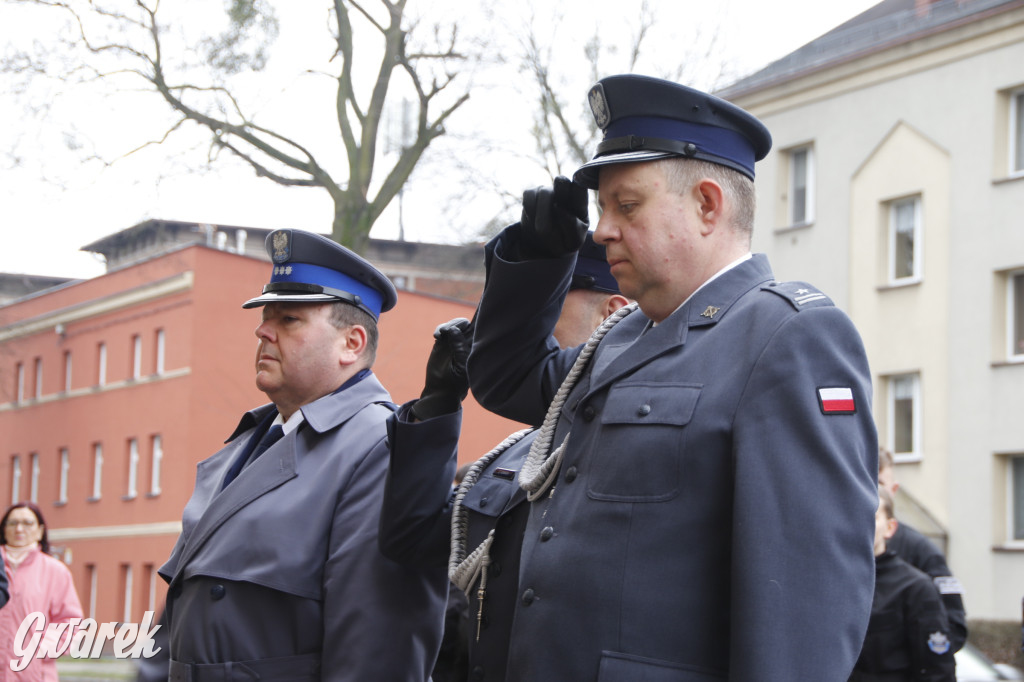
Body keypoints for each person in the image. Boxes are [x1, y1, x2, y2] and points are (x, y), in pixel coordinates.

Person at [467, 74, 879, 680]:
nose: (603, 229)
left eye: (626, 205)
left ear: (707, 205)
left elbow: (801, 611)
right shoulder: (621, 338)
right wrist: (537, 259)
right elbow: (505, 377)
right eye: (603, 208)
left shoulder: (786, 338)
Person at [157, 229, 446, 681]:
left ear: (351, 344)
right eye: (265, 317)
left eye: (289, 319)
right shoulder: (253, 439)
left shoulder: (379, 447)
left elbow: (376, 650)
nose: (262, 330)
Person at [380, 233, 629, 682]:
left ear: (612, 315)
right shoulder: (518, 451)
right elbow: (413, 539)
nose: (517, 333)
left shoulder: (634, 440)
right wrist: (438, 403)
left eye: (542, 313)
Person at [849, 486, 956, 681]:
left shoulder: (915, 588)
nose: (861, 524)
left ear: (890, 528)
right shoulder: (830, 585)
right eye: (854, 514)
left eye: (872, 517)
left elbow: (938, 671)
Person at [878, 446, 968, 653]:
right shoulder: (836, 546)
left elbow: (953, 627)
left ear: (894, 490)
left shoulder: (921, 550)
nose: (874, 492)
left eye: (880, 484)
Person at [0, 501, 84, 682]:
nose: (19, 529)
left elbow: (70, 622)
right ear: (4, 529)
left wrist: (40, 649)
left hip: (34, 674)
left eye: (28, 523)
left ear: (40, 530)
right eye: (13, 523)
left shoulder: (55, 571)